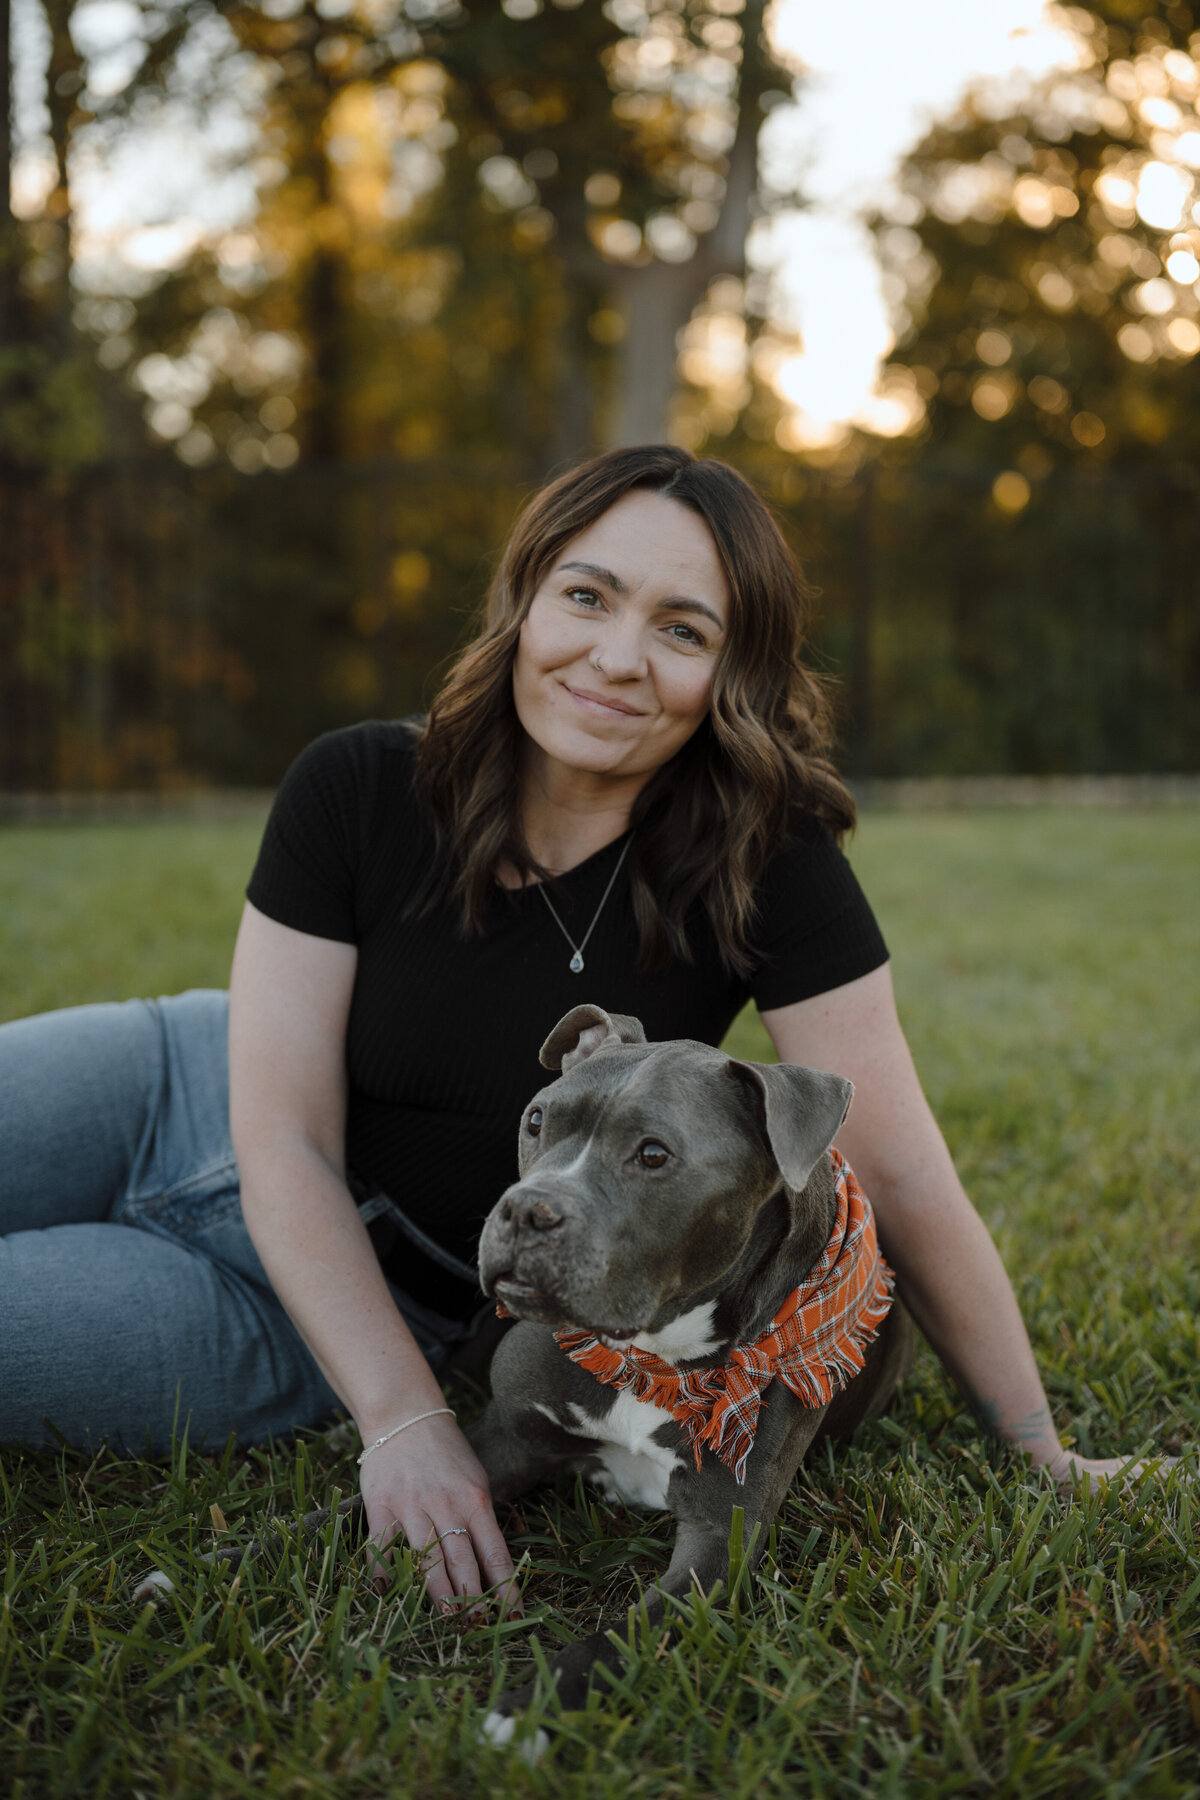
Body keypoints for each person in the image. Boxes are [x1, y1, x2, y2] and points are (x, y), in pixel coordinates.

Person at [0, 446, 1170, 1619]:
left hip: (331, 1302)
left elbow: (902, 1170)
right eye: (588, 595)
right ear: (525, 597)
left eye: (682, 630)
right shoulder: (355, 784)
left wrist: (1039, 1449)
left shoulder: (770, 859)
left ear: (731, 673)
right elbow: (284, 1135)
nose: (615, 657)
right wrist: (408, 1428)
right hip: (176, 1083)